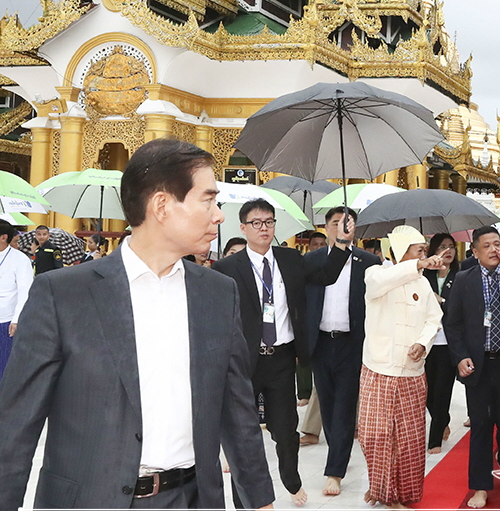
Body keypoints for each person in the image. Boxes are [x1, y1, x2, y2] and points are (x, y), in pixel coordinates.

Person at [0, 138, 274, 509]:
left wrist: (260, 501)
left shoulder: (218, 294)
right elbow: (15, 425)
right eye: (208, 200)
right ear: (161, 205)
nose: (219, 215)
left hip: (193, 497)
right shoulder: (64, 296)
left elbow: (238, 410)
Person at [213, 197, 340, 507]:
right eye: (256, 223)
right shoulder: (227, 267)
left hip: (282, 358)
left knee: (285, 431)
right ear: (243, 228)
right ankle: (244, 499)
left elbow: (328, 275)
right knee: (244, 435)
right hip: (244, 362)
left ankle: (290, 478)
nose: (264, 228)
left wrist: (343, 242)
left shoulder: (291, 259)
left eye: (269, 222)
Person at [443, 226, 500, 509]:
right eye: (488, 246)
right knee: (481, 425)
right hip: (478, 364)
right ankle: (480, 486)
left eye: (498, 244)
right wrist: (460, 356)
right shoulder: (463, 280)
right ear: (475, 252)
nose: (495, 250)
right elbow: (452, 324)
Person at [359, 226, 444, 509]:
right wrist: (417, 265)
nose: (424, 256)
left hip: (411, 371)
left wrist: (423, 343)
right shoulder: (376, 275)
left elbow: (434, 319)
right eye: (418, 251)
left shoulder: (423, 285)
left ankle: (400, 494)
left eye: (424, 251)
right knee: (374, 434)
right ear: (399, 253)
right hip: (379, 368)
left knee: (408, 438)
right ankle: (380, 486)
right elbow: (382, 280)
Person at [305, 206, 382, 497]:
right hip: (321, 342)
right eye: (336, 223)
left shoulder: (369, 261)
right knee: (327, 405)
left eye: (347, 223)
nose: (341, 227)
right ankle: (339, 449)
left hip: (353, 343)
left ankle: (334, 471)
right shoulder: (311, 261)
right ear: (326, 228)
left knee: (345, 407)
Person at [423, 232, 460, 454]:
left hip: (449, 343)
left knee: (443, 389)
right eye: (442, 247)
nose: (447, 250)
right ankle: (442, 419)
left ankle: (434, 439)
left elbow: (460, 308)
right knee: (427, 392)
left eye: (451, 246)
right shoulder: (423, 275)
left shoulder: (461, 275)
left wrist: (441, 300)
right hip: (426, 342)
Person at [0, 221, 32, 382]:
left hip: (6, 321)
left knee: (4, 368)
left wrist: (17, 319)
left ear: (3, 237)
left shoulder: (20, 260)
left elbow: (25, 292)